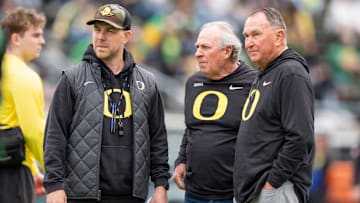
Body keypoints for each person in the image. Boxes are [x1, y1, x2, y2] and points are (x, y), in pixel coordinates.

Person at [43, 3, 170, 203]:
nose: (100, 37)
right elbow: (54, 136)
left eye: (110, 31)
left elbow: (158, 140)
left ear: (127, 36)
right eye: (97, 29)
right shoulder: (72, 78)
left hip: (132, 196)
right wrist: (54, 186)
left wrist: (161, 185)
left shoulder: (147, 83)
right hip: (82, 196)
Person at [233, 8, 315, 203]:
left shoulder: (290, 73)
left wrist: (272, 184)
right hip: (254, 192)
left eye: (256, 34)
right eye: (246, 36)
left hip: (274, 192)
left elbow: (300, 138)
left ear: (279, 37)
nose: (249, 43)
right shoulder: (266, 73)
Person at [173, 21, 257, 202]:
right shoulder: (193, 82)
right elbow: (191, 128)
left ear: (227, 51)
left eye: (205, 47)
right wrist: (181, 160)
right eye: (197, 47)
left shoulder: (254, 83)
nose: (197, 53)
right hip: (194, 192)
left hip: (234, 193)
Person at [0, 7, 47, 203]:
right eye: (35, 35)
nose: (42, 41)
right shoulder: (25, 76)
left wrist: (34, 169)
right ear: (16, 39)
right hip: (12, 174)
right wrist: (57, 174)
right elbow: (34, 132)